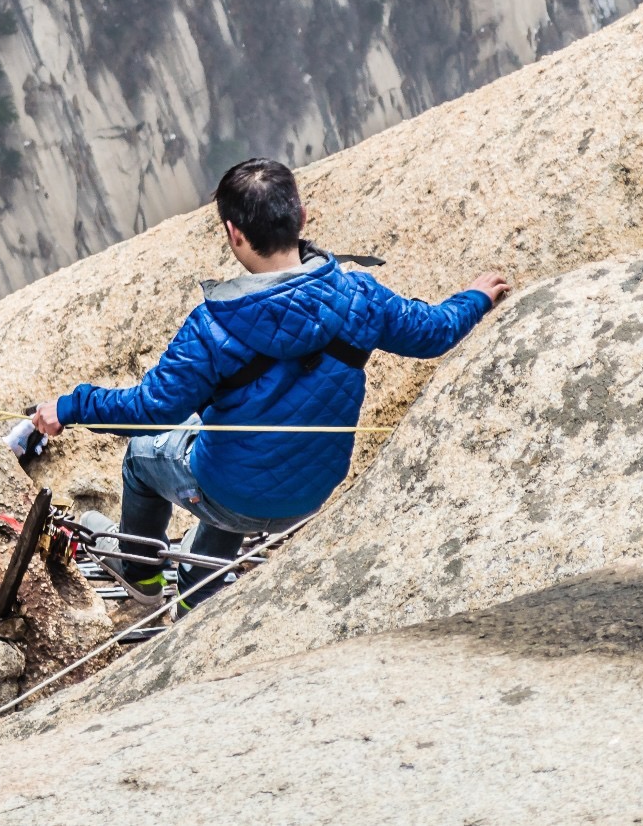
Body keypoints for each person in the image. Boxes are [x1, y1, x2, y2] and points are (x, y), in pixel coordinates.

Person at [31, 157, 509, 612]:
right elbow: (434, 332)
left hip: (233, 496)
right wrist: (476, 298)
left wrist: (71, 407)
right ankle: (200, 588)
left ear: (233, 234)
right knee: (236, 438)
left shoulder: (213, 329)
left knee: (145, 456)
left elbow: (151, 412)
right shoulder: (359, 295)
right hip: (310, 493)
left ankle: (140, 573)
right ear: (301, 216)